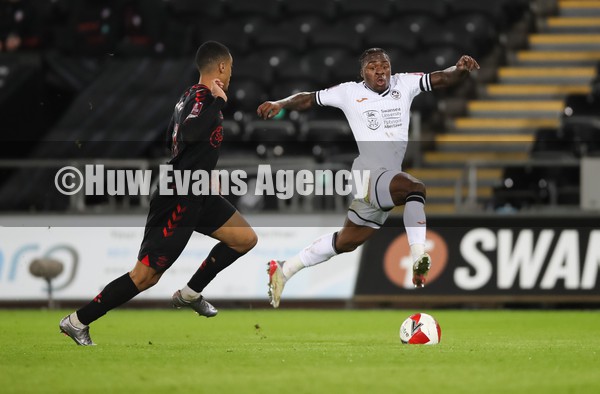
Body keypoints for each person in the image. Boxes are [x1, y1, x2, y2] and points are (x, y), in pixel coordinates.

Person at [60, 41, 258, 345]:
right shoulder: (206, 98)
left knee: (244, 239)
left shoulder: (187, 97)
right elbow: (191, 133)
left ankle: (191, 293)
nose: (231, 75)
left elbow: (173, 138)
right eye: (230, 68)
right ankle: (78, 320)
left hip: (196, 190)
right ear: (221, 67)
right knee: (145, 277)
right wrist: (219, 102)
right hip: (178, 195)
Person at [257, 48, 479, 308]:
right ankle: (418, 255)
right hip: (368, 175)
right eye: (373, 66)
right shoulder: (349, 92)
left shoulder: (404, 83)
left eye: (385, 65)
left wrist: (460, 69)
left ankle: (284, 269)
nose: (380, 70)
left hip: (383, 180)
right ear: (362, 72)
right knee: (414, 188)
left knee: (346, 241)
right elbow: (308, 99)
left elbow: (442, 78)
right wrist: (281, 103)